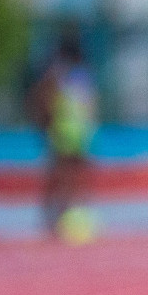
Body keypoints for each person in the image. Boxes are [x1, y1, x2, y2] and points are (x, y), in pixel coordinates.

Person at [26, 27, 98, 239]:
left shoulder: (69, 74)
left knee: (67, 177)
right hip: (71, 131)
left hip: (69, 131)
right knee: (66, 177)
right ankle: (57, 218)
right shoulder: (67, 74)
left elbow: (41, 100)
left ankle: (67, 217)